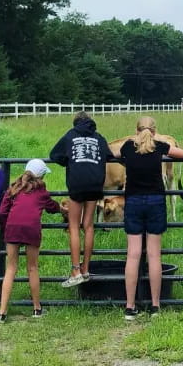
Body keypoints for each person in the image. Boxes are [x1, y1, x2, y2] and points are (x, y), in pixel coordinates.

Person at [121, 116, 183, 319]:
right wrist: (163, 143)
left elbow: (113, 153)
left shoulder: (127, 147)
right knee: (154, 255)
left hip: (133, 201)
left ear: (136, 130)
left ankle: (130, 306)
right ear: (155, 130)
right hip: (155, 202)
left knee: (133, 255)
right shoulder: (159, 146)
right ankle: (156, 306)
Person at [0, 159, 66, 322]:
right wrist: (62, 209)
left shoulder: (13, 188)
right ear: (40, 176)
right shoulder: (41, 191)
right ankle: (36, 308)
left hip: (12, 228)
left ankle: (1, 312)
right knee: (32, 268)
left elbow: (2, 212)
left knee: (10, 268)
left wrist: (7, 226)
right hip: (32, 229)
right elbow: (51, 206)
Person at [49, 111, 114, 287]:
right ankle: (85, 269)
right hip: (95, 183)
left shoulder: (70, 135)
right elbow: (109, 156)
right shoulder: (99, 137)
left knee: (74, 226)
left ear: (75, 123)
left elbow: (54, 155)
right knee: (89, 225)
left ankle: (75, 270)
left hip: (77, 183)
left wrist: (68, 162)